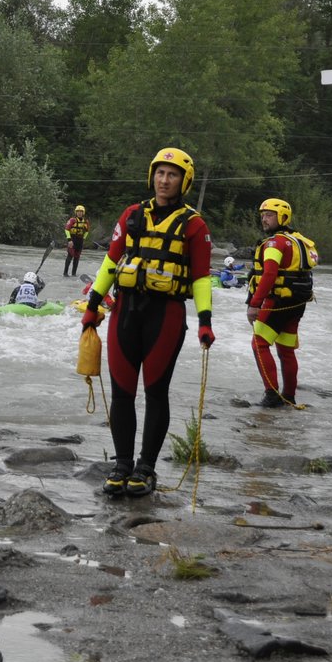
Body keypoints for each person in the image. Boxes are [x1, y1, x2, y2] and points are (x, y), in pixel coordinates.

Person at [80, 147, 215, 498]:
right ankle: (122, 464)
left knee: (156, 393)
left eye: (171, 175)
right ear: (151, 176)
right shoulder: (131, 215)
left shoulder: (194, 225)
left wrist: (205, 320)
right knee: (122, 392)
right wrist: (93, 305)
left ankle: (146, 468)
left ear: (184, 181)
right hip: (125, 312)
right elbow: (110, 264)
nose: (164, 180)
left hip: (166, 315)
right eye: (159, 173)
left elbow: (201, 278)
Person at [246, 198, 315, 407]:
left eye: (269, 215)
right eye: (262, 216)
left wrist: (254, 304)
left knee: (258, 343)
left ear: (282, 217)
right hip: (296, 304)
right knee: (285, 349)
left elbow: (269, 274)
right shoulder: (298, 240)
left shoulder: (275, 243)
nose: (264, 219)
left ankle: (272, 395)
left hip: (277, 302)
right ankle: (289, 396)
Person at [62, 205, 90, 277]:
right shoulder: (72, 220)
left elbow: (87, 231)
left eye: (81, 212)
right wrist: (69, 240)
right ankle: (65, 273)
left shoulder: (85, 222)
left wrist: (83, 238)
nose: (79, 213)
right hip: (72, 239)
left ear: (83, 213)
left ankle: (74, 274)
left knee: (77, 257)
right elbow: (66, 229)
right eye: (78, 212)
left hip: (80, 240)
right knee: (70, 255)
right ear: (76, 212)